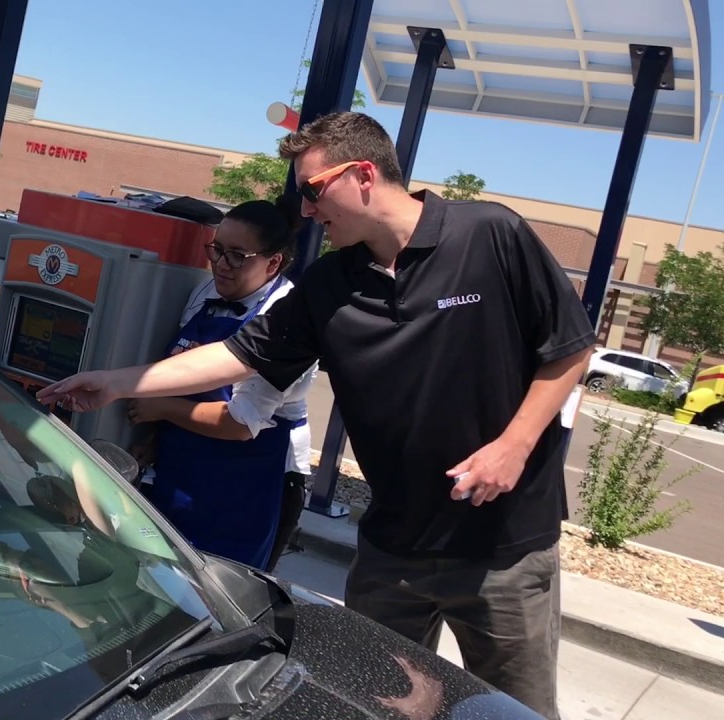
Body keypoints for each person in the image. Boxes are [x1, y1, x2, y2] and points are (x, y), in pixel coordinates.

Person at [36, 111, 594, 720]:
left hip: (503, 548)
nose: (304, 212)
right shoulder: (331, 283)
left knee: (515, 710)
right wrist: (117, 384)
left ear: (361, 174)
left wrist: (514, 445)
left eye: (311, 190)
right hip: (392, 547)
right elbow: (235, 355)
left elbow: (568, 348)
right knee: (376, 705)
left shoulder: (489, 233)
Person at [124, 198, 317, 572]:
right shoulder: (205, 293)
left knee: (225, 585)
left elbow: (241, 423)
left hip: (251, 477)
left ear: (273, 262)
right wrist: (154, 436)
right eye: (216, 250)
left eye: (237, 256)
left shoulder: (288, 317)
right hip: (183, 462)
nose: (221, 266)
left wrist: (162, 409)